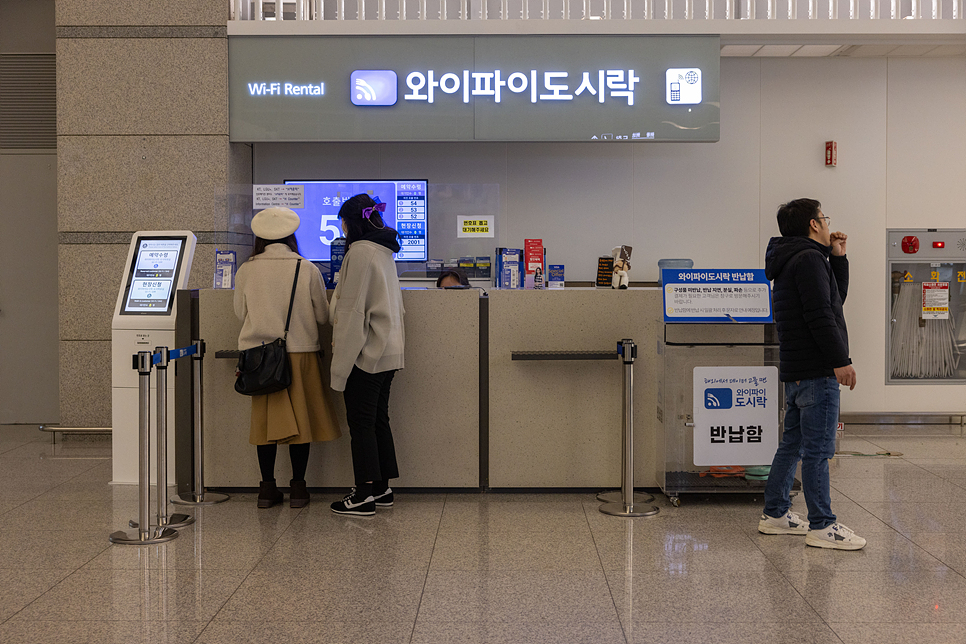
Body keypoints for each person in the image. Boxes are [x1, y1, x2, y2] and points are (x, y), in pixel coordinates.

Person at [757, 199, 865, 550]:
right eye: (823, 218)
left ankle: (775, 513)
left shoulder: (796, 259)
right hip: (817, 370)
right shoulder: (807, 260)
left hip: (798, 369)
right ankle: (822, 525)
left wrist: (839, 256)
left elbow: (834, 299)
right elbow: (821, 316)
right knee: (818, 450)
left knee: (794, 444)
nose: (826, 223)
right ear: (813, 225)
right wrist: (840, 360)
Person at [234, 207, 341, 509]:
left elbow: (240, 313)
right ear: (291, 236)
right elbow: (322, 315)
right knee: (301, 425)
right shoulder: (305, 268)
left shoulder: (247, 269)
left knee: (266, 425)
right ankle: (299, 489)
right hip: (302, 354)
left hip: (261, 357)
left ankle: (267, 489)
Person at [329, 195, 406, 516]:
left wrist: (339, 369)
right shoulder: (384, 251)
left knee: (361, 424)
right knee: (377, 420)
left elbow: (351, 314)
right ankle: (382, 487)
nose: (342, 229)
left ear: (350, 223)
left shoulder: (359, 252)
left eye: (342, 222)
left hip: (366, 353)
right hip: (389, 349)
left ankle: (363, 495)